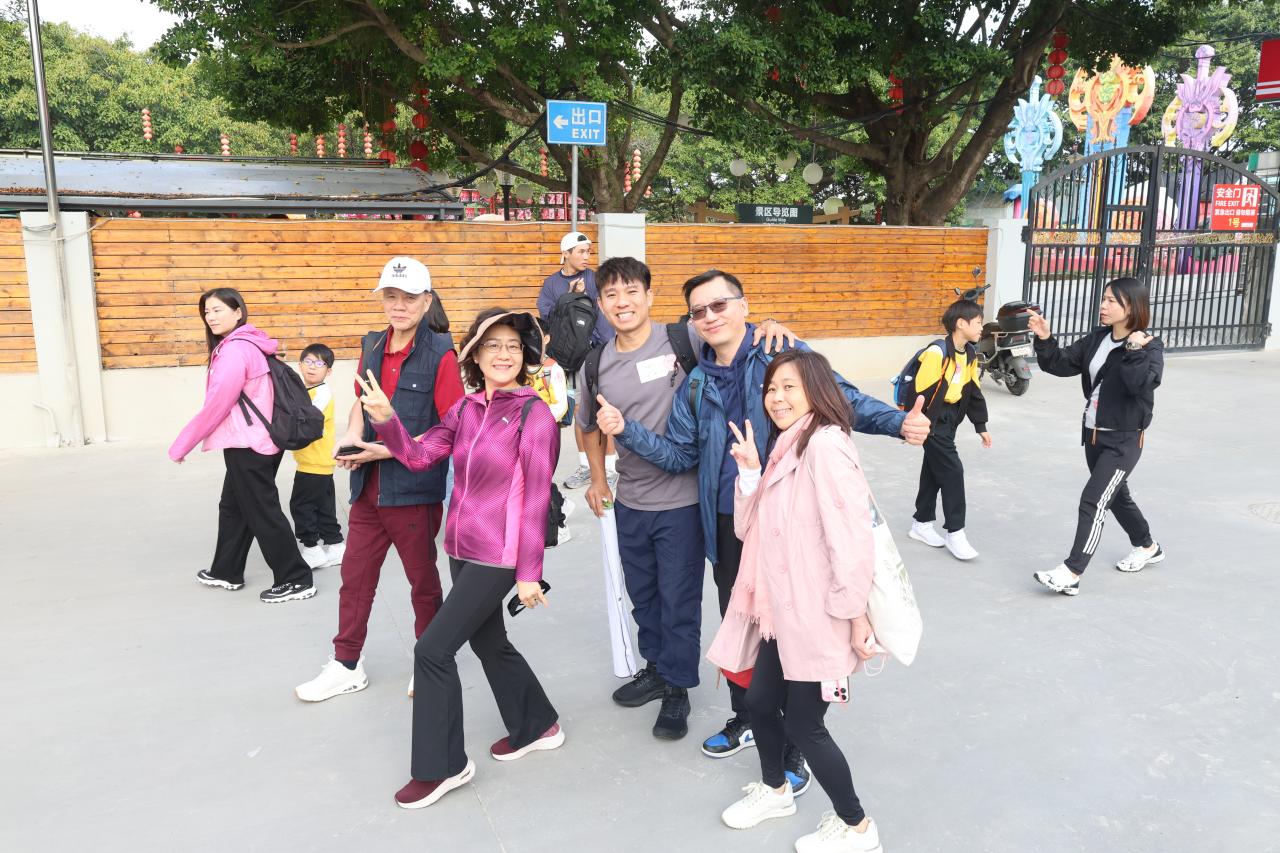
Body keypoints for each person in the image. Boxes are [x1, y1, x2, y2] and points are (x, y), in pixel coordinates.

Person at [596, 269, 929, 792]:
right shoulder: (697, 382)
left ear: (744, 306)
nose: (710, 317)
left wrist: (897, 422)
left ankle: (796, 743)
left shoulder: (779, 353)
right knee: (744, 629)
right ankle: (748, 718)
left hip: (794, 525)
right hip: (732, 524)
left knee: (797, 634)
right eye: (699, 311)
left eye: (719, 305)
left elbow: (839, 397)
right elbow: (680, 454)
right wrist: (627, 432)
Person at [582, 257, 798, 740]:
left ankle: (678, 688)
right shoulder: (595, 363)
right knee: (643, 597)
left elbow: (736, 334)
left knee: (678, 600)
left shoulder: (686, 339)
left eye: (632, 291)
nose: (622, 302)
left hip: (683, 501)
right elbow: (588, 426)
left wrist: (770, 324)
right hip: (631, 499)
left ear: (649, 296)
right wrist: (598, 480)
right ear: (600, 303)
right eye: (611, 294)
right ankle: (658, 670)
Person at [356, 308, 562, 810]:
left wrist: (529, 573)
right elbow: (420, 455)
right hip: (461, 547)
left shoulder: (534, 415)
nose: (503, 354)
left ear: (525, 356)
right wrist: (386, 419)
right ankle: (538, 723)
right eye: (493, 344)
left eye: (513, 345)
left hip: (500, 553)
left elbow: (537, 498)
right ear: (474, 353)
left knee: (432, 650)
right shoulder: (466, 410)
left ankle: (443, 766)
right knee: (489, 641)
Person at [707, 349, 883, 853]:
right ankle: (775, 791)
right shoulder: (788, 444)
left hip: (821, 613)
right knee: (760, 703)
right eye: (771, 388)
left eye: (789, 387)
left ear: (816, 390)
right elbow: (750, 529)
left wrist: (855, 616)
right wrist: (749, 472)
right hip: (781, 612)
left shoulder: (825, 445)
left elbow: (851, 539)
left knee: (806, 726)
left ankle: (857, 827)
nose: (776, 397)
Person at [295, 257, 464, 702]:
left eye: (409, 297)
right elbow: (360, 401)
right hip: (368, 489)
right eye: (391, 296)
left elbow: (450, 428)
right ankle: (346, 664)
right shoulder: (371, 346)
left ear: (426, 301)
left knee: (422, 582)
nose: (399, 305)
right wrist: (354, 438)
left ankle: (431, 663)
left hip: (413, 491)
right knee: (355, 578)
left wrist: (386, 450)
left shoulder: (442, 354)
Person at [169, 287, 316, 603]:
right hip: (255, 441)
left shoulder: (235, 350)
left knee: (262, 511)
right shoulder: (250, 343)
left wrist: (182, 444)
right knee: (234, 507)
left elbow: (217, 404)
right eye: (206, 312)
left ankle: (296, 578)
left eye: (218, 310)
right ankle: (227, 570)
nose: (210, 317)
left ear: (238, 312)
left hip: (249, 444)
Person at [1028, 277, 1165, 596]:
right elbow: (1060, 364)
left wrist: (1133, 348)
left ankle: (1072, 572)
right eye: (1103, 299)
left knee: (1093, 500)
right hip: (1093, 436)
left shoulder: (1150, 347)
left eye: (1111, 301)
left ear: (1132, 306)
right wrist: (1045, 338)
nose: (1103, 306)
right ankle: (1147, 546)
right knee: (1115, 496)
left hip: (1124, 440)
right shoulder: (1098, 338)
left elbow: (1138, 386)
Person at [905, 299, 992, 561]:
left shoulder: (970, 354)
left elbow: (973, 390)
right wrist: (914, 425)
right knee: (953, 471)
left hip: (951, 417)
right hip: (931, 419)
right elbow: (918, 392)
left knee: (934, 469)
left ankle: (921, 523)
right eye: (978, 322)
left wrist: (980, 425)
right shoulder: (937, 353)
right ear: (961, 324)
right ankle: (956, 532)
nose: (982, 328)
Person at [536, 231, 617, 490]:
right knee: (580, 412)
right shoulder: (552, 284)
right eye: (581, 251)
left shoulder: (595, 279)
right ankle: (586, 466)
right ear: (566, 253)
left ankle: (611, 468)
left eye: (588, 251)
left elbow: (609, 308)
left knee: (604, 408)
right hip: (567, 358)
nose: (586, 256)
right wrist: (569, 297)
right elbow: (547, 316)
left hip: (599, 352)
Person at [290, 343, 345, 570]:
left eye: (320, 363)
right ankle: (336, 546)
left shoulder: (321, 393)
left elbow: (305, 417)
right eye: (308, 362)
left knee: (301, 506)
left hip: (314, 463)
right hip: (317, 462)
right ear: (300, 365)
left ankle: (311, 549)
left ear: (328, 371)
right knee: (322, 507)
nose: (313, 367)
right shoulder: (309, 391)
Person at [530, 317, 574, 545]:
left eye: (535, 334)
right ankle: (562, 503)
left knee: (541, 479)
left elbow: (560, 405)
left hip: (545, 432)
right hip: (523, 433)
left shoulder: (551, 369)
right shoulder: (516, 366)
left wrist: (539, 423)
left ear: (546, 338)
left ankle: (559, 525)